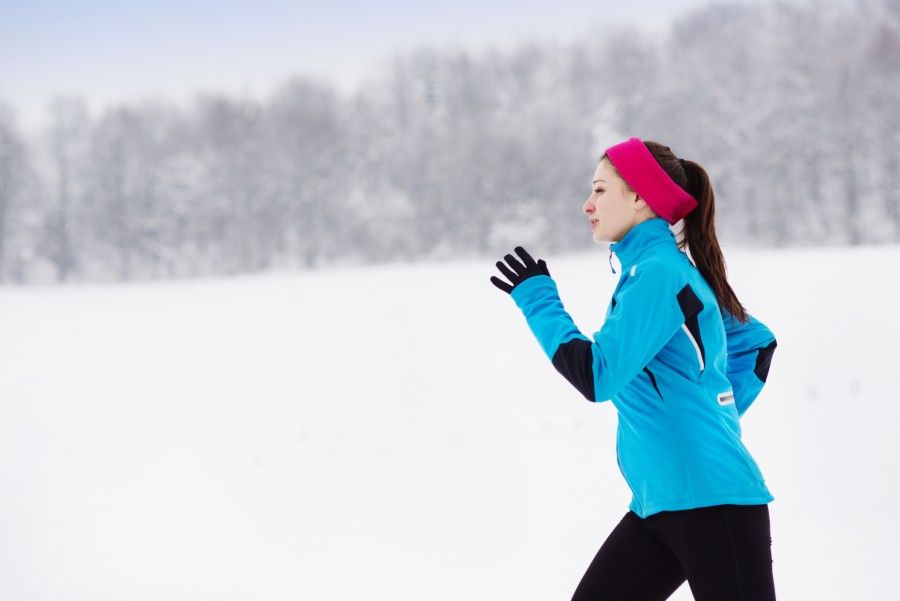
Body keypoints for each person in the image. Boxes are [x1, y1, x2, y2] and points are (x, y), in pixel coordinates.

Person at [489, 136, 779, 601]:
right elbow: (755, 343)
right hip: (661, 503)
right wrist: (704, 414)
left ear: (641, 196)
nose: (587, 205)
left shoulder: (659, 273)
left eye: (600, 190)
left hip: (712, 501)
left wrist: (538, 298)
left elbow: (596, 375)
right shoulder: (661, 270)